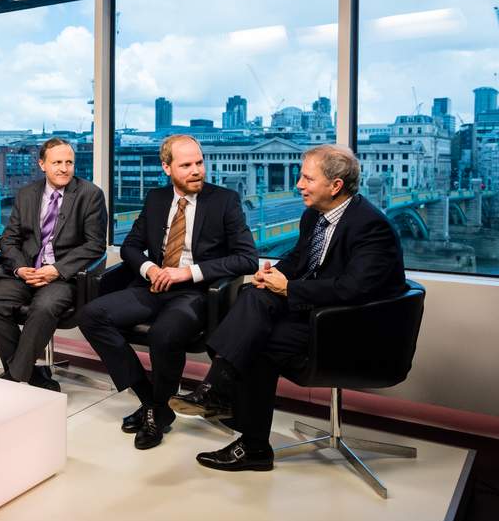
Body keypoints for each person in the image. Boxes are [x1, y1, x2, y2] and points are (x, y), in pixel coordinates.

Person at [171, 144, 407, 471]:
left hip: (353, 327)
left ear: (335, 186)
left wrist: (289, 288)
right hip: (318, 315)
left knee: (257, 341)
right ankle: (220, 394)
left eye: (308, 178)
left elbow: (353, 289)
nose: (298, 185)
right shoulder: (315, 215)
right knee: (253, 294)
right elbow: (298, 260)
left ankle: (237, 420)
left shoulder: (370, 226)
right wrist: (272, 276)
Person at [77, 135, 257, 449]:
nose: (196, 170)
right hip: (154, 286)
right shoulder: (156, 199)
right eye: (186, 165)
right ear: (167, 167)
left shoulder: (224, 200)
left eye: (199, 162)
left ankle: (156, 412)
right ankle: (153, 402)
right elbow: (131, 246)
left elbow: (247, 258)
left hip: (195, 293)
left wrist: (188, 272)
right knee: (90, 315)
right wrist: (151, 269)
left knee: (164, 334)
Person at [0, 138, 108, 391]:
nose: (64, 168)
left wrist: (56, 270)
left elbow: (95, 245)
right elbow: (9, 240)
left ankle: (15, 378)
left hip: (64, 277)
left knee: (44, 306)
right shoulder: (27, 194)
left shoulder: (90, 195)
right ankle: (33, 374)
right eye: (57, 162)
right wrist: (19, 268)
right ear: (42, 164)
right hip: (26, 272)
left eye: (69, 162)